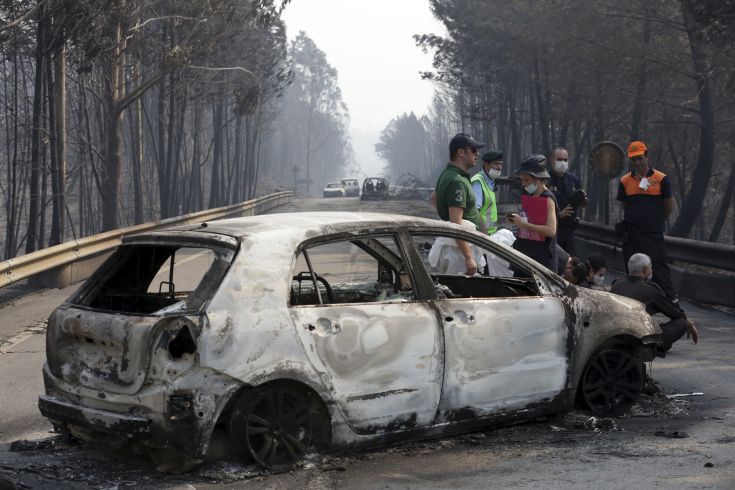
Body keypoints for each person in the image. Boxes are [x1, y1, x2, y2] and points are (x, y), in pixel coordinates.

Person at [617, 140, 676, 299]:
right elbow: (626, 205)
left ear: (646, 156)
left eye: (640, 158)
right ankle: (634, 300)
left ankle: (670, 300)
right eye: (634, 159)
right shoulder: (625, 181)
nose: (637, 162)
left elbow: (668, 205)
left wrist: (657, 220)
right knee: (633, 269)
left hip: (653, 232)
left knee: (659, 267)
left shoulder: (661, 179)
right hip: (633, 233)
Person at [611, 253, 698, 354]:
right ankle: (653, 347)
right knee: (682, 323)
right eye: (651, 267)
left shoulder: (616, 285)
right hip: (639, 340)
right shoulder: (652, 290)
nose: (652, 270)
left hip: (614, 335)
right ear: (645, 269)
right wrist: (689, 324)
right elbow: (676, 314)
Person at [432, 133, 485, 275]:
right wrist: (468, 257)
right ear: (461, 152)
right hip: (458, 252)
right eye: (473, 150)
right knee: (464, 295)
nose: (477, 154)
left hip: (455, 247)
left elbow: (434, 198)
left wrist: (445, 217)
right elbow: (456, 224)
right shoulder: (457, 181)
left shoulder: (447, 174)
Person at [507, 154, 558, 270]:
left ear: (538, 179)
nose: (523, 184)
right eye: (522, 180)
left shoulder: (548, 199)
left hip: (541, 261)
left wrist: (524, 225)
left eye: (527, 180)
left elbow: (551, 230)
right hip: (525, 255)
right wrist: (516, 219)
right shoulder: (530, 196)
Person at [548, 147, 582, 255]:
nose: (562, 162)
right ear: (552, 160)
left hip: (570, 229)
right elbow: (540, 207)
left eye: (565, 160)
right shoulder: (545, 180)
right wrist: (559, 214)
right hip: (552, 229)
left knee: (570, 262)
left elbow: (580, 200)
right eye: (559, 159)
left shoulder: (574, 180)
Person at [471, 150, 503, 235]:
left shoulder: (490, 181)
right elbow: (475, 211)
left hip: (489, 234)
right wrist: (484, 235)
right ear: (485, 164)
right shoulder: (478, 182)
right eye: (496, 163)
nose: (499, 167)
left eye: (501, 164)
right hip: (481, 235)